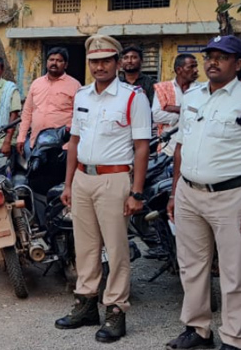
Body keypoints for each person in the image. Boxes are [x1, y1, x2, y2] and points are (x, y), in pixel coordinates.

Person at [56, 35, 151, 343]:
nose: (100, 66)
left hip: (115, 179)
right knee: (84, 246)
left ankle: (115, 310)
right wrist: (69, 184)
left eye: (106, 60)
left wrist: (136, 192)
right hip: (83, 177)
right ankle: (85, 304)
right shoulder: (82, 96)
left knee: (116, 248)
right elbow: (74, 142)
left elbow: (141, 147)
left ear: (117, 62)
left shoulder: (132, 97)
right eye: (94, 61)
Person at [164, 35, 241, 350]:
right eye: (210, 55)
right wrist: (173, 192)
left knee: (234, 270)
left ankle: (234, 337)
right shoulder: (193, 95)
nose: (213, 61)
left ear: (237, 64)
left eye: (222, 56)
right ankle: (197, 329)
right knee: (191, 265)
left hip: (230, 196)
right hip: (188, 193)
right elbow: (180, 146)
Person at [16, 47, 81, 156]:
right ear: (46, 62)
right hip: (36, 145)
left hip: (62, 147)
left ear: (65, 65)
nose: (54, 63)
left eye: (59, 60)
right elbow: (27, 113)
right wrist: (21, 138)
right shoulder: (36, 84)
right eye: (51, 60)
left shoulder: (75, 86)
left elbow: (79, 116)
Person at [151, 54, 199, 156]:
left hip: (193, 150)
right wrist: (179, 116)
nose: (196, 70)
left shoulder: (201, 89)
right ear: (179, 70)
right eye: (191, 67)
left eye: (196, 66)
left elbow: (201, 114)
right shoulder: (163, 88)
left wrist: (173, 108)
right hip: (168, 149)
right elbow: (156, 115)